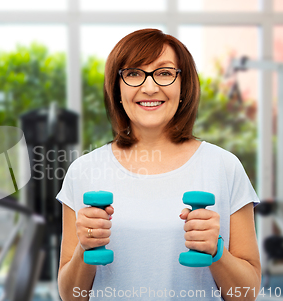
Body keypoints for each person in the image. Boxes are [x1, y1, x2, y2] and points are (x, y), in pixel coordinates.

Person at [56, 28, 261, 301]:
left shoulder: (224, 167)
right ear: (117, 89)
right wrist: (84, 248)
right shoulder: (84, 171)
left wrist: (217, 252)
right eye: (133, 73)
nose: (149, 87)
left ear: (183, 87)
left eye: (164, 73)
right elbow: (71, 296)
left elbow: (247, 294)